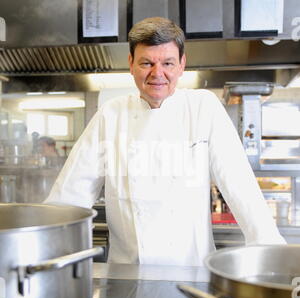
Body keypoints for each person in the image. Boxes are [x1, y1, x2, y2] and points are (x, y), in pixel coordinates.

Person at [45, 17, 285, 266]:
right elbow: (69, 197)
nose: (157, 73)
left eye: (168, 63)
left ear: (182, 64)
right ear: (131, 64)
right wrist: (42, 255)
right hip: (128, 276)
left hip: (192, 275)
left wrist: (273, 260)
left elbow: (241, 188)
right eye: (146, 63)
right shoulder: (110, 115)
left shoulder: (203, 108)